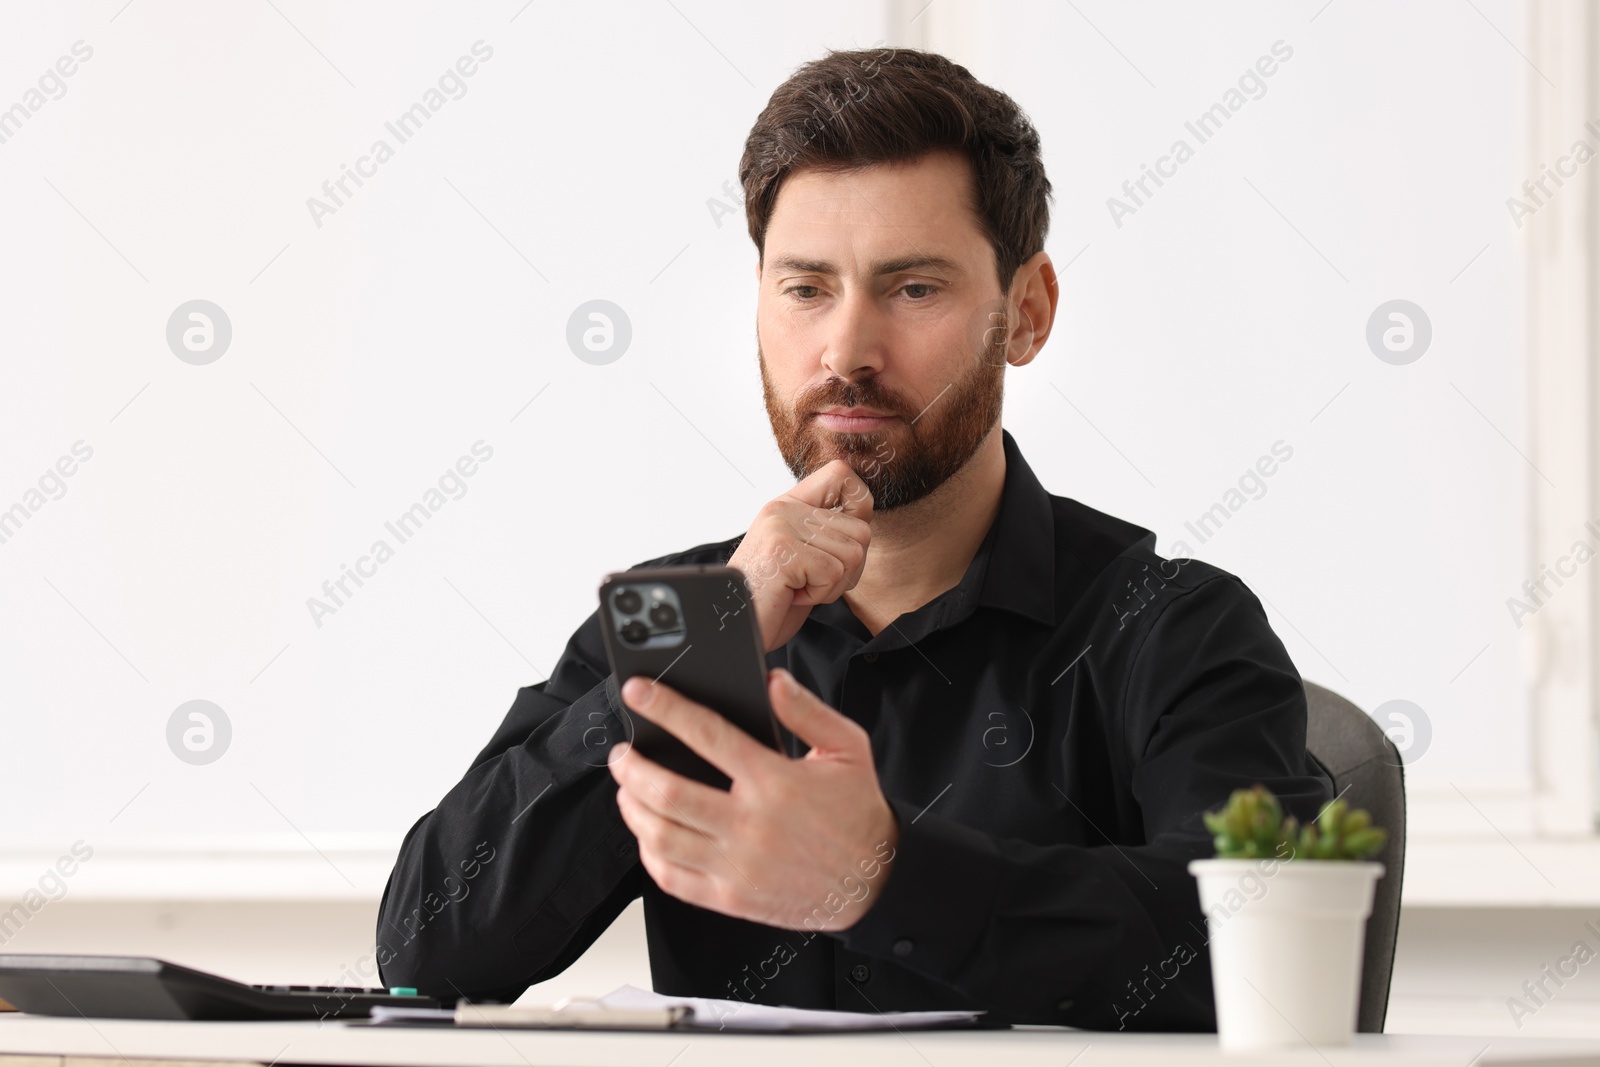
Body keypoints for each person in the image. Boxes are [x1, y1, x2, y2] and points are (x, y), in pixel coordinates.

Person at [377, 46, 1333, 1030]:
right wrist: (699, 656)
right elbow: (430, 947)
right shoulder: (680, 618)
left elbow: (1269, 959)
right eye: (804, 289)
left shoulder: (1174, 628)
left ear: (1027, 312)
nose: (844, 352)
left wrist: (887, 877)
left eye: (912, 288)